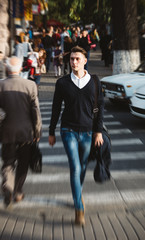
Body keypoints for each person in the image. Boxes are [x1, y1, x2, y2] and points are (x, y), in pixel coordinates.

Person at [48, 46, 104, 226]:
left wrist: (98, 131)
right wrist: (51, 131)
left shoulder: (95, 81)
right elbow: (56, 108)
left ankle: (76, 194)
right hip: (68, 131)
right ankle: (79, 207)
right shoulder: (62, 83)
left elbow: (100, 108)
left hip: (88, 132)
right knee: (75, 167)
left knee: (82, 167)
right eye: (71, 59)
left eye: (77, 59)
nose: (74, 62)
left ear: (85, 60)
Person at [0, 56, 42, 208]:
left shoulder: (1, 85)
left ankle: (8, 187)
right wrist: (37, 131)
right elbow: (35, 111)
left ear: (7, 69)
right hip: (26, 132)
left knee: (8, 162)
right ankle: (18, 191)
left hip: (6, 132)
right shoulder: (30, 85)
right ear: (20, 69)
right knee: (23, 163)